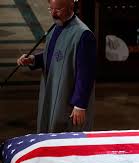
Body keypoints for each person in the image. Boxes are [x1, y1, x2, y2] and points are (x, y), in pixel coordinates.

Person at [17, 0, 96, 133]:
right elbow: (53, 55)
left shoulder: (83, 35)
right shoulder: (56, 27)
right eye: (51, 9)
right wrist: (32, 60)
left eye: (58, 10)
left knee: (66, 138)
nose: (53, 14)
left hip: (68, 99)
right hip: (51, 91)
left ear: (71, 6)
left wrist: (80, 105)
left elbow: (86, 73)